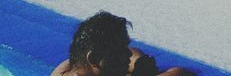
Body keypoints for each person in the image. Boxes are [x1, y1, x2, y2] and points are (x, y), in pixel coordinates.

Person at [52, 12, 193, 76]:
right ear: (94, 58)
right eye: (119, 50)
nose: (128, 53)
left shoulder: (72, 66)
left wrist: (138, 62)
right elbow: (180, 73)